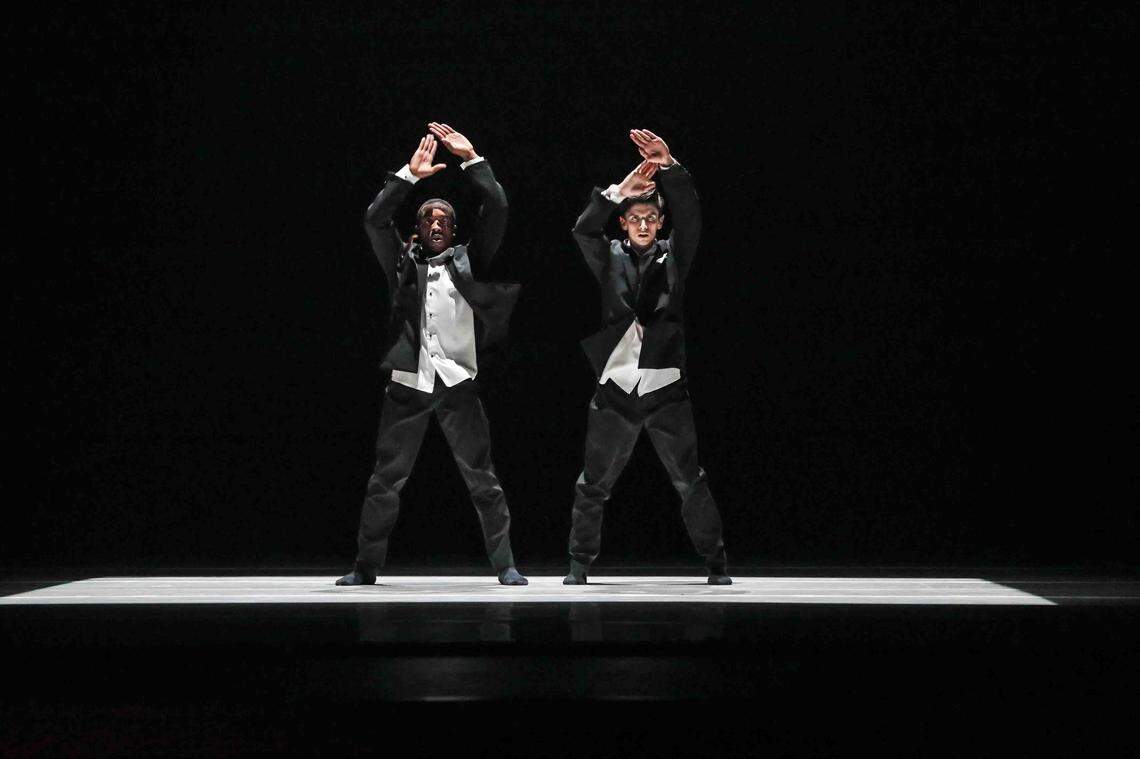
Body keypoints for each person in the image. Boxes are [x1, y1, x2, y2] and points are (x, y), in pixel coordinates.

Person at [337, 123, 527, 586]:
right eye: (428, 219)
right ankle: (365, 569)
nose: (437, 223)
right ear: (417, 229)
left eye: (444, 219)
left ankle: (505, 565)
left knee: (482, 478)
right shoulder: (401, 264)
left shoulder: (469, 259)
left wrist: (473, 159)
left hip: (459, 383)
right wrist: (407, 177)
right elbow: (373, 220)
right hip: (408, 384)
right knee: (386, 480)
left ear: (454, 229)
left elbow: (498, 206)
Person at [564, 129, 730, 585]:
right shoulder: (609, 257)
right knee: (593, 482)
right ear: (623, 223)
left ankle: (715, 562)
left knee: (688, 479)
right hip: (615, 388)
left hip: (664, 389)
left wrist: (670, 167)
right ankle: (579, 565)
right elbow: (582, 229)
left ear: (660, 224)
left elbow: (691, 218)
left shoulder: (674, 255)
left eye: (650, 219)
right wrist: (621, 191)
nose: (641, 224)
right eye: (634, 217)